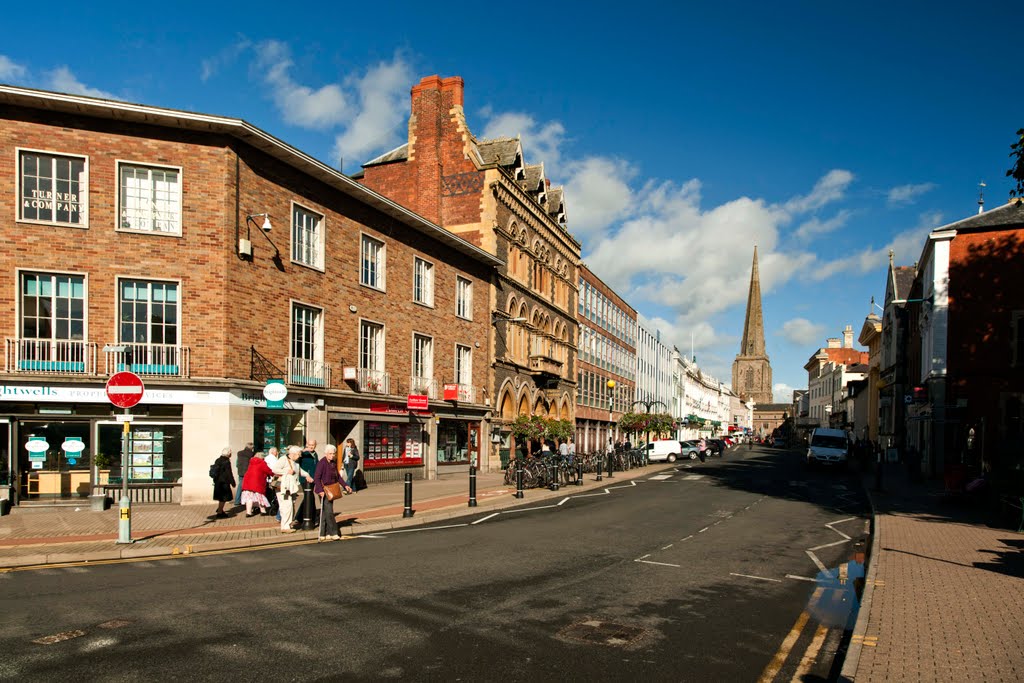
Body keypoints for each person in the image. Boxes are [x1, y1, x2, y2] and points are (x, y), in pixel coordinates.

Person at [314, 444, 351, 541]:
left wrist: (345, 485)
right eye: (330, 454)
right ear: (326, 453)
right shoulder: (321, 463)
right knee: (329, 512)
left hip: (332, 489)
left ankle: (324, 533)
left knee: (325, 512)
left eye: (333, 454)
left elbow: (338, 476)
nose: (332, 455)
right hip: (323, 490)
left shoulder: (333, 463)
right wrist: (320, 490)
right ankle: (333, 532)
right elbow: (317, 478)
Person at [275, 445, 313, 533]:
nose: (300, 456)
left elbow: (299, 471)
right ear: (293, 453)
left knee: (290, 506)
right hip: (283, 487)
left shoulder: (295, 462)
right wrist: (286, 471)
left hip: (291, 487)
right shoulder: (283, 459)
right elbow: (275, 469)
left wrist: (307, 475)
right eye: (299, 454)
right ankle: (285, 526)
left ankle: (288, 525)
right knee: (286, 506)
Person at [241, 452, 273, 517]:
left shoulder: (251, 462)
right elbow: (268, 471)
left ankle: (248, 512)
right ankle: (263, 511)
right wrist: (273, 474)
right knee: (260, 496)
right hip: (257, 482)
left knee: (249, 497)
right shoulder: (262, 463)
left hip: (248, 481)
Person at [295, 439, 319, 527]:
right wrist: (301, 451)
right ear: (306, 444)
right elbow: (294, 459)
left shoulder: (315, 454)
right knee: (310, 497)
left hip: (313, 479)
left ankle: (299, 517)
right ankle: (311, 517)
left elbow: (316, 465)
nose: (311, 446)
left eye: (313, 445)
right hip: (305, 479)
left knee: (308, 498)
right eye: (309, 444)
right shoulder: (303, 454)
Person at [211, 447, 235, 518]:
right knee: (223, 498)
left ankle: (220, 509)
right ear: (228, 453)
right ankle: (220, 512)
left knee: (221, 498)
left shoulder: (218, 460)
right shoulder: (226, 461)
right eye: (230, 453)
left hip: (218, 481)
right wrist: (232, 482)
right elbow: (229, 473)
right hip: (224, 482)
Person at [263, 446, 282, 521]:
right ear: (274, 452)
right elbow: (276, 469)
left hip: (268, 478)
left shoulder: (266, 458)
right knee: (275, 494)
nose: (277, 453)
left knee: (270, 493)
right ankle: (274, 507)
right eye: (276, 451)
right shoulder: (273, 459)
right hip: (273, 478)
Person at [233, 442, 253, 507]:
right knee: (242, 486)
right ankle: (237, 500)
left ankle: (240, 500)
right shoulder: (251, 454)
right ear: (251, 447)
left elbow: (237, 463)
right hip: (247, 472)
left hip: (240, 471)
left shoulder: (239, 453)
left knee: (241, 485)